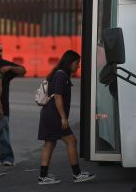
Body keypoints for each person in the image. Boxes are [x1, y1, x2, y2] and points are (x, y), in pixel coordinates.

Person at [37, 50, 95, 185]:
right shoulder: (61, 75)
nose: (78, 66)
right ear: (69, 63)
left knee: (50, 143)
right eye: (77, 63)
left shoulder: (58, 74)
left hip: (49, 114)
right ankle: (77, 174)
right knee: (71, 141)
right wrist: (63, 118)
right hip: (54, 116)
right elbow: (57, 96)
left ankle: (43, 176)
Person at [0, 41, 26, 166]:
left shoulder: (5, 65)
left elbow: (23, 70)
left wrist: (10, 68)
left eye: (0, 51)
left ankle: (7, 158)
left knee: (3, 135)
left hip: (3, 108)